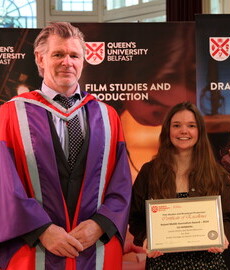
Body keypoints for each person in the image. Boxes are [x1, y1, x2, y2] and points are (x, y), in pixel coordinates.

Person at [0, 22, 132, 270]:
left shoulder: (108, 116)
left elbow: (121, 182)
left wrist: (101, 223)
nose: (67, 62)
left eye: (74, 55)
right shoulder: (10, 114)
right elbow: (3, 183)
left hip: (94, 248)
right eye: (58, 54)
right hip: (33, 247)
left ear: (84, 60)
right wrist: (41, 229)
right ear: (40, 59)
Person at [129, 102, 230, 269]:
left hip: (207, 262)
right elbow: (135, 217)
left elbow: (228, 217)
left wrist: (223, 236)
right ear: (168, 131)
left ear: (199, 131)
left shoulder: (217, 174)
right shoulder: (149, 172)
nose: (184, 131)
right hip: (162, 263)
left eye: (191, 126)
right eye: (177, 125)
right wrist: (146, 238)